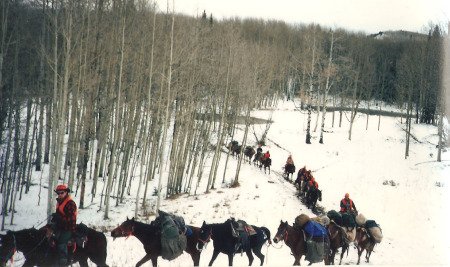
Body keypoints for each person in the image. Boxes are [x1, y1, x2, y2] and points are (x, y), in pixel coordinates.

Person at [52, 184, 77, 266]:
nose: (59, 195)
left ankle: (63, 262)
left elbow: (71, 218)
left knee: (61, 242)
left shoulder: (70, 203)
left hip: (68, 228)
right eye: (58, 193)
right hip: (60, 226)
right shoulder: (60, 202)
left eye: (61, 193)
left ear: (66, 192)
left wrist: (58, 217)